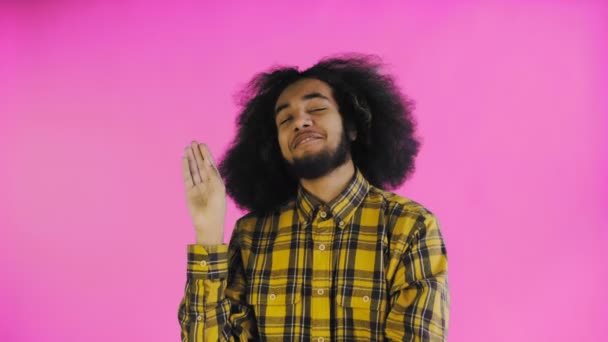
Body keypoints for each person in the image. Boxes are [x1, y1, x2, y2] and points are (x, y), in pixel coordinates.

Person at [178, 54, 450, 341]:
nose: (300, 122)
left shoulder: (410, 227)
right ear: (276, 147)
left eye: (317, 108)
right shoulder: (251, 236)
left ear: (352, 127)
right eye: (285, 119)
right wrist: (207, 231)